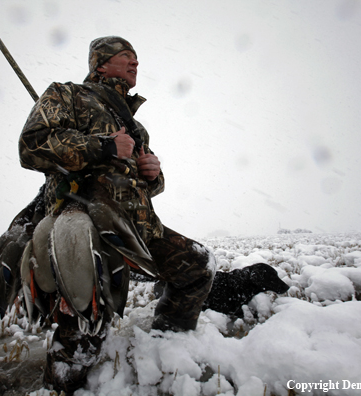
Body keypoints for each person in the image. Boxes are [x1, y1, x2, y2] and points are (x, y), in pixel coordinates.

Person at [18, 36, 215, 393]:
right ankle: (58, 388)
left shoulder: (134, 124)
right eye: (126, 57)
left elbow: (144, 184)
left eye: (137, 58)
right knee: (85, 328)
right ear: (100, 64)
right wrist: (103, 146)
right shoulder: (68, 95)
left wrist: (152, 173)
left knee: (197, 266)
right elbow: (31, 147)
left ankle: (165, 344)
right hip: (85, 225)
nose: (135, 63)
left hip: (138, 226)